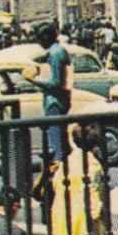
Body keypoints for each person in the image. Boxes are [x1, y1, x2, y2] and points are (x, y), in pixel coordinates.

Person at [33, 22, 73, 161]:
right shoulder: (58, 51)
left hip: (54, 102)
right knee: (62, 140)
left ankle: (59, 168)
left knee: (56, 143)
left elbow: (56, 82)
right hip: (61, 99)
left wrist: (34, 80)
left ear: (45, 37)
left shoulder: (55, 54)